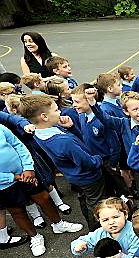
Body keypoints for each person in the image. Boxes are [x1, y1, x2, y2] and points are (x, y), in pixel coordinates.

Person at [19, 95, 106, 231]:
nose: (60, 112)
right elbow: (87, 162)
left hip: (74, 176)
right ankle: (98, 231)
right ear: (44, 116)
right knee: (97, 204)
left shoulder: (39, 132)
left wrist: (70, 128)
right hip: (89, 176)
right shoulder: (63, 142)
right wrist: (100, 159)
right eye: (55, 110)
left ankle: (93, 227)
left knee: (85, 200)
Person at [0, 123, 82, 256]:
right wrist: (14, 177)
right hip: (4, 184)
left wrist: (28, 168)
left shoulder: (1, 127)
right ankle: (35, 237)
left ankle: (58, 224)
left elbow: (18, 145)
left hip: (25, 173)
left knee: (44, 198)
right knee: (17, 211)